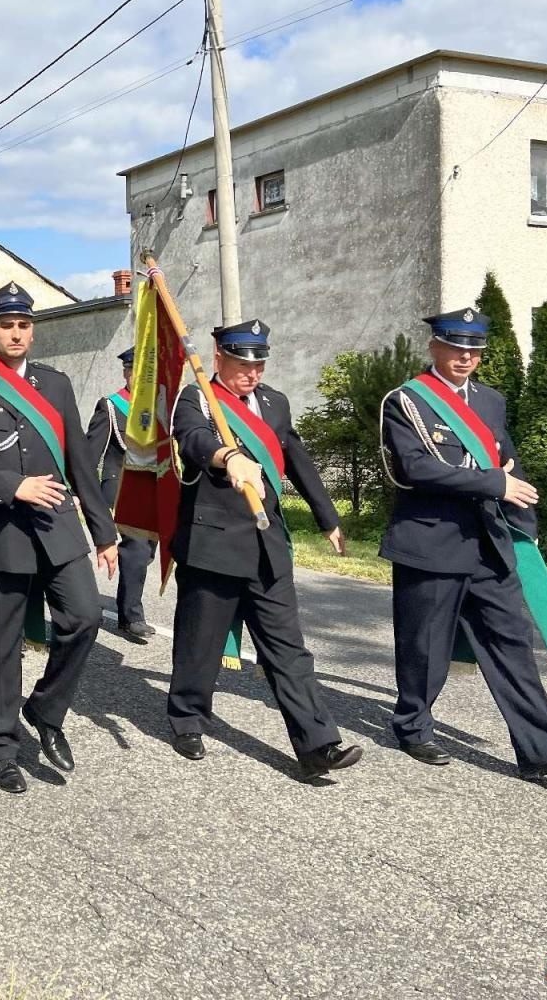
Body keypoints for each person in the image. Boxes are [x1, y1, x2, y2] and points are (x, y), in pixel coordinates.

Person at [380, 308, 547, 783]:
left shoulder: (491, 401)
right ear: (435, 346)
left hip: (489, 546)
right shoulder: (406, 401)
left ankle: (543, 752)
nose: (466, 357)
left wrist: (524, 526)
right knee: (424, 645)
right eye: (456, 347)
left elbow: (509, 464)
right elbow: (415, 470)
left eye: (474, 350)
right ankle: (413, 726)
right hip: (430, 542)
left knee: (512, 644)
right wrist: (494, 485)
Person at [0, 283, 117, 794]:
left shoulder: (54, 384)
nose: (17, 334)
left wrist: (104, 533)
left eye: (24, 325)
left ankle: (44, 707)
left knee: (84, 616)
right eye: (7, 325)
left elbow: (80, 460)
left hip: (56, 525)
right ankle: (2, 748)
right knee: (0, 644)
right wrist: (14, 486)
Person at [166, 319, 363, 780]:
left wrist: (327, 516)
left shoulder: (274, 402)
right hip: (213, 542)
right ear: (219, 358)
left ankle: (318, 745)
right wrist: (228, 456)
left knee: (288, 649)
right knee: (200, 642)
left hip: (267, 543)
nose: (251, 373)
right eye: (241, 363)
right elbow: (193, 440)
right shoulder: (198, 396)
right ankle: (187, 719)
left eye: (258, 364)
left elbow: (295, 457)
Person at [85, 347, 157, 641]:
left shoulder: (160, 408)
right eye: (132, 373)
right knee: (137, 551)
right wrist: (80, 488)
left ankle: (127, 603)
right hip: (122, 489)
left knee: (145, 553)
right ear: (126, 374)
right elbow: (91, 452)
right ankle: (132, 616)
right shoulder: (111, 406)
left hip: (153, 490)